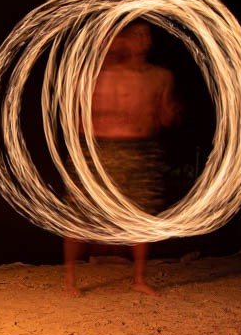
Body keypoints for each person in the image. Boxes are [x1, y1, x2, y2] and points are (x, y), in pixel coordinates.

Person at [64, 20, 180, 297]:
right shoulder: (92, 75)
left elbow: (165, 115)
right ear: (123, 40)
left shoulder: (160, 76)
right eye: (135, 35)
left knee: (140, 216)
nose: (141, 40)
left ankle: (139, 279)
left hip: (140, 151)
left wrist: (170, 114)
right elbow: (74, 114)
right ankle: (69, 280)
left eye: (146, 35)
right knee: (79, 216)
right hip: (96, 151)